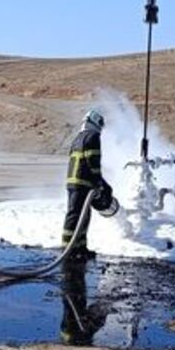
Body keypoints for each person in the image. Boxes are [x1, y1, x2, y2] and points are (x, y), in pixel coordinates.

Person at [63, 108, 112, 263]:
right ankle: (68, 249)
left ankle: (80, 247)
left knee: (83, 216)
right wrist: (99, 182)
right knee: (75, 215)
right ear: (96, 122)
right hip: (82, 182)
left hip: (75, 182)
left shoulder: (79, 137)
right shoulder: (93, 136)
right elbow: (93, 161)